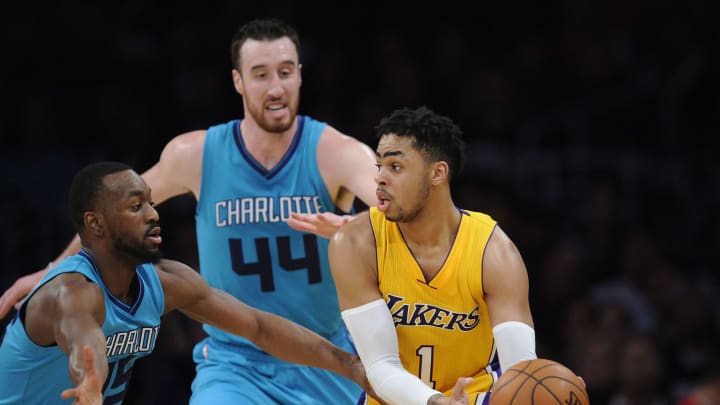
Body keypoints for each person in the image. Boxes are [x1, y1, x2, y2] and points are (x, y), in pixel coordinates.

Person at [0, 18, 378, 404]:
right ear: (238, 81)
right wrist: (53, 271)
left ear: (300, 75)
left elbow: (403, 216)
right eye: (260, 74)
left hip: (321, 355)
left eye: (285, 72)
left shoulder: (338, 153)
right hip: (234, 364)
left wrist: (358, 226)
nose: (276, 87)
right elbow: (108, 212)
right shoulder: (195, 154)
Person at [0, 161, 372, 405]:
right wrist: (89, 378)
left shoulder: (166, 280)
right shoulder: (68, 292)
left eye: (150, 202)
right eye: (136, 207)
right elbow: (83, 337)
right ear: (95, 224)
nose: (153, 214)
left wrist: (350, 365)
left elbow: (258, 327)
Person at [328, 106, 538, 405]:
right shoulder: (354, 243)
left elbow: (520, 370)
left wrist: (545, 390)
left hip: (476, 398)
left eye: (395, 167)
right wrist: (436, 401)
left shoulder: (493, 252)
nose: (380, 179)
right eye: (379, 166)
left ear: (438, 173)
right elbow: (380, 366)